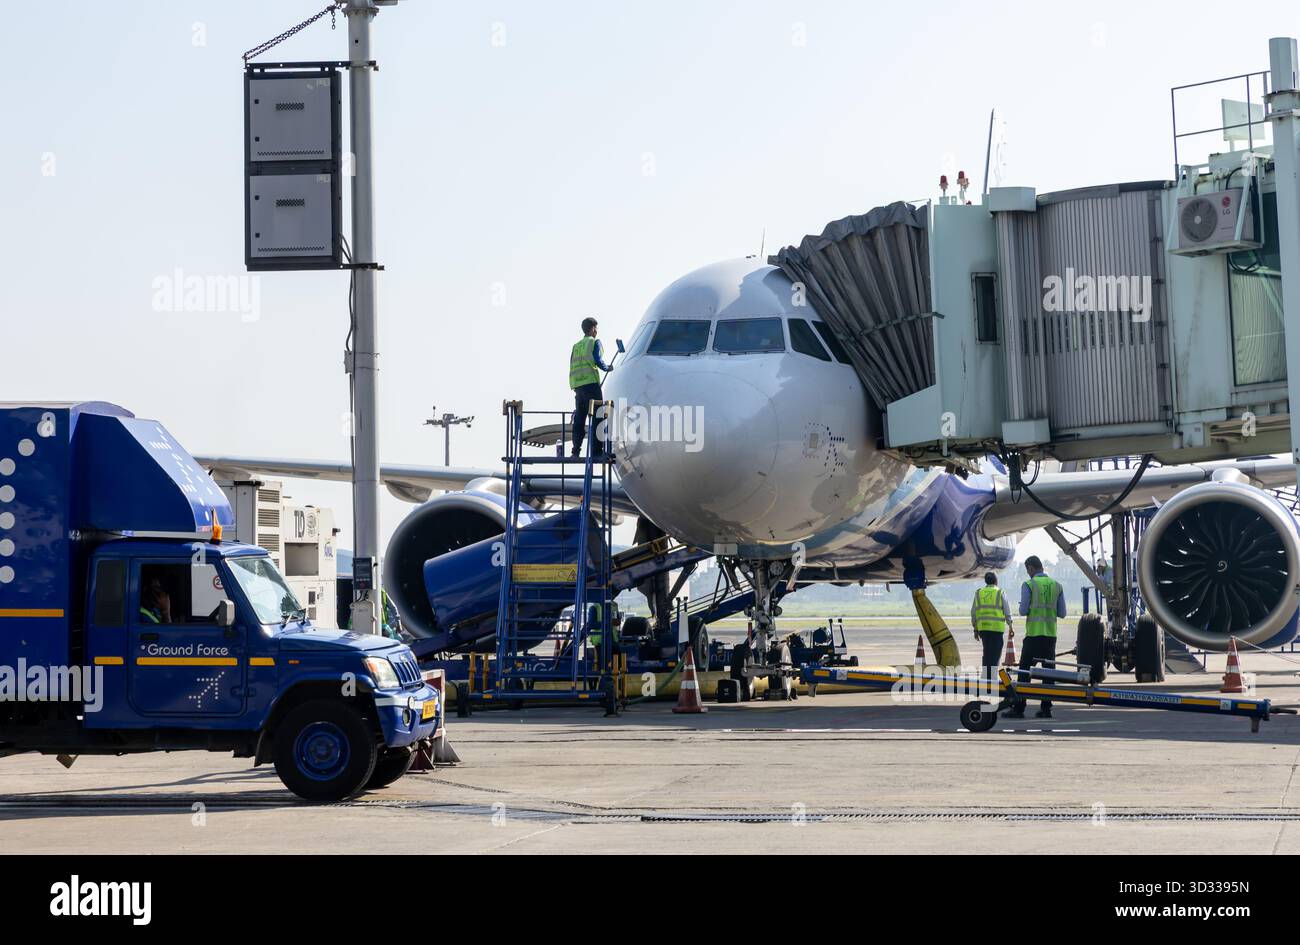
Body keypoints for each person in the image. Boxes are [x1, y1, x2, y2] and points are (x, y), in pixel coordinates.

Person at [1009, 555, 1066, 719]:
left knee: (1024, 673)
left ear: (1031, 568)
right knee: (1049, 675)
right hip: (1050, 636)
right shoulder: (1057, 585)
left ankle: (1019, 708)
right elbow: (1062, 613)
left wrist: (1023, 605)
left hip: (1033, 635)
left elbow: (1023, 611)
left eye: (1028, 570)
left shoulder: (1029, 584)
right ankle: (1046, 709)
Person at [569, 317, 613, 458]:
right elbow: (598, 360)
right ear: (593, 329)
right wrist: (608, 368)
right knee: (598, 416)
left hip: (578, 387)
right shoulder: (594, 342)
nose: (596, 331)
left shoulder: (576, 346)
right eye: (596, 328)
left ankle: (575, 451)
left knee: (580, 419)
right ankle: (596, 451)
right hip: (591, 386)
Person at [970, 572, 1011, 682]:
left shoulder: (979, 593)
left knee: (987, 652)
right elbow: (1007, 611)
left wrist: (975, 628)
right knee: (995, 654)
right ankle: (991, 679)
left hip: (983, 629)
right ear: (996, 581)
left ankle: (985, 678)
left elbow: (973, 613)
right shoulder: (1000, 592)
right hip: (996, 629)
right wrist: (1010, 625)